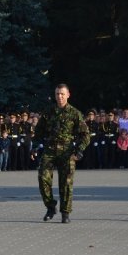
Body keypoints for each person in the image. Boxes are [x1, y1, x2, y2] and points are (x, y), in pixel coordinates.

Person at [33, 84, 90, 224]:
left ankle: (65, 212)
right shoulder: (48, 112)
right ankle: (51, 207)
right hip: (50, 150)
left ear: (68, 95)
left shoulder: (75, 113)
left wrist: (80, 149)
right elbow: (38, 132)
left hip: (67, 152)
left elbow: (85, 135)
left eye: (62, 94)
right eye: (57, 94)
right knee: (42, 178)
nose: (60, 96)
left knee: (66, 184)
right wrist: (34, 147)